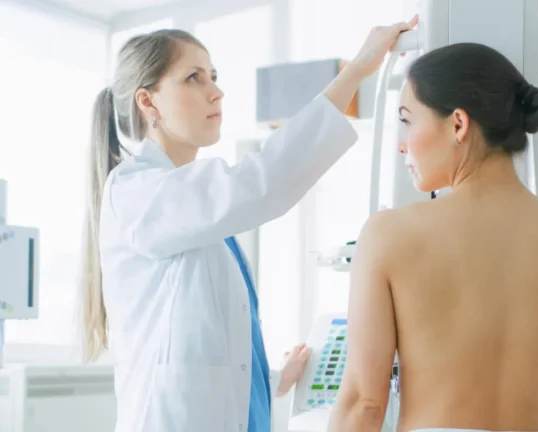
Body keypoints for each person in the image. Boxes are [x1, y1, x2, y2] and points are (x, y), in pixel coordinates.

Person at [79, 16, 418, 432]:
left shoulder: (198, 213)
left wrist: (276, 378)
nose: (216, 91)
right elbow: (262, 182)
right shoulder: (138, 192)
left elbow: (208, 354)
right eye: (193, 78)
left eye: (215, 76)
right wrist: (360, 66)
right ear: (148, 102)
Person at [328, 42, 538, 432]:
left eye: (407, 120)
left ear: (458, 125)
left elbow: (364, 403)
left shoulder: (389, 236)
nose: (402, 143)